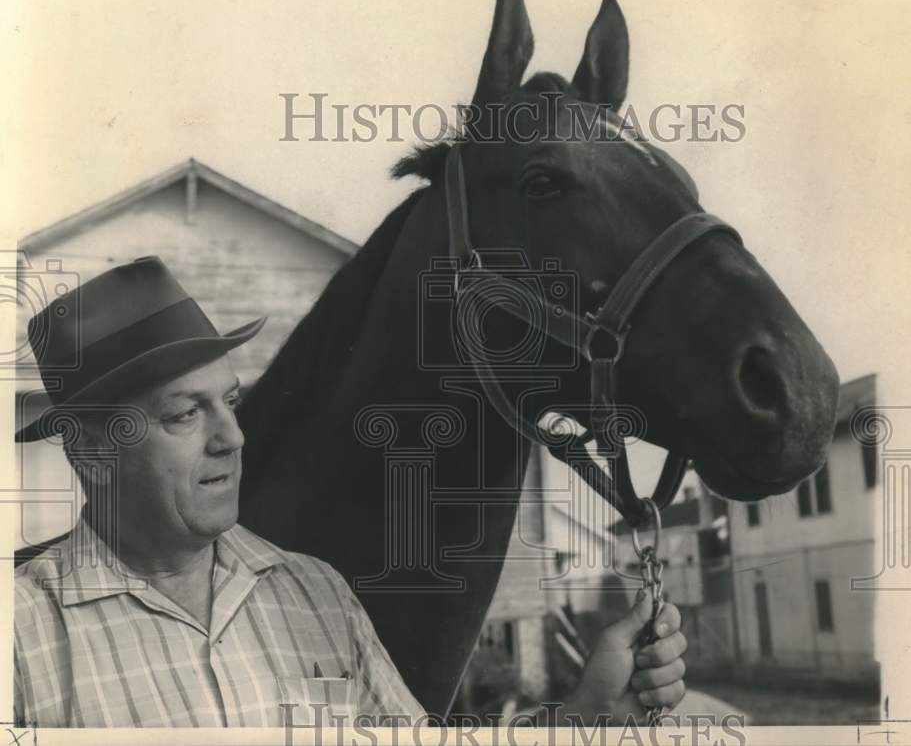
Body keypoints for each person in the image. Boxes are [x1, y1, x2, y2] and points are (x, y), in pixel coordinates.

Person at [13, 256, 687, 728]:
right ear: (91, 450)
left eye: (230, 402)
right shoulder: (20, 635)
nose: (232, 437)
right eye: (185, 413)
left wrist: (586, 712)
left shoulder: (317, 598)